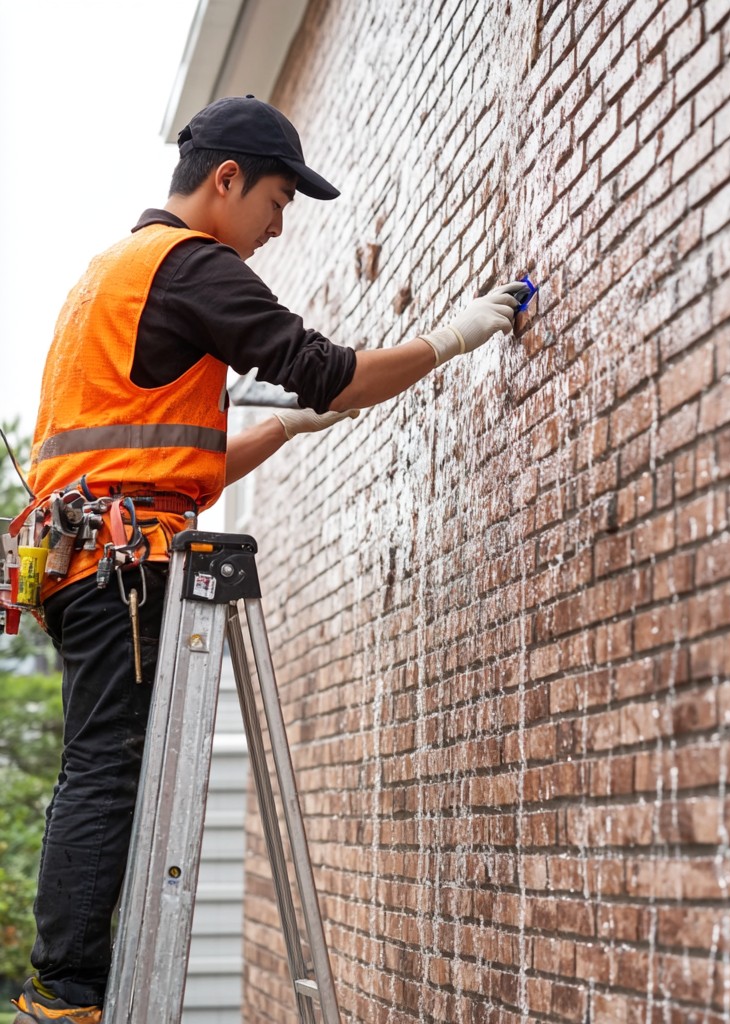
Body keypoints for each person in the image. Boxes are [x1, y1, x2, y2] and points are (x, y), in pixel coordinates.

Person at [9, 94, 522, 1024]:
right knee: (108, 772)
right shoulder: (192, 265)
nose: (278, 228)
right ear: (227, 178)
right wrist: (452, 337)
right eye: (278, 202)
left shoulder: (111, 271)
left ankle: (66, 986)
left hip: (87, 558)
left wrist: (281, 430)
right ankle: (66, 995)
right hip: (128, 566)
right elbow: (328, 370)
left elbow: (161, 461)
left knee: (98, 768)